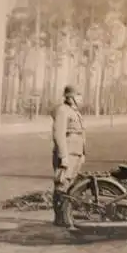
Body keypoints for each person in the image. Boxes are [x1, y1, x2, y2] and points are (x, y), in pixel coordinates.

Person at [51, 85, 86, 226]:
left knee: (71, 185)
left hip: (76, 153)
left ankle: (66, 214)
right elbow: (59, 134)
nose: (81, 99)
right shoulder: (62, 110)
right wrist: (63, 156)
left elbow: (81, 134)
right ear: (70, 97)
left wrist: (82, 153)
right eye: (78, 96)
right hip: (67, 154)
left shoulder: (74, 111)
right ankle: (59, 218)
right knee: (62, 184)